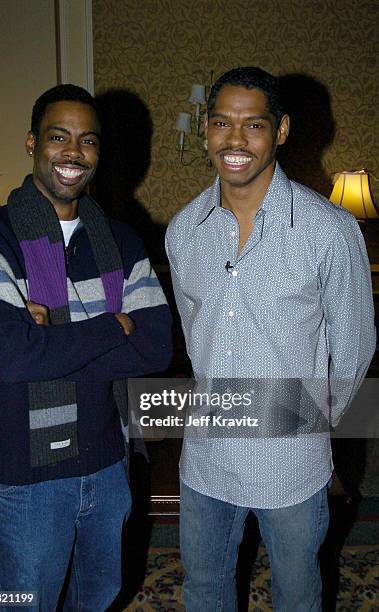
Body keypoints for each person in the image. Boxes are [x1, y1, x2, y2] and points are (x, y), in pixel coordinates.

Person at [165, 67, 375, 611]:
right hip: (207, 458)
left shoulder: (328, 229)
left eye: (252, 124)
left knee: (298, 594)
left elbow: (354, 349)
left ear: (280, 130)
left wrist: (309, 421)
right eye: (221, 124)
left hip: (291, 464)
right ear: (206, 130)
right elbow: (195, 337)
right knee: (203, 589)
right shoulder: (184, 230)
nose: (234, 140)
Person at [0, 84, 172, 611]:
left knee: (99, 597)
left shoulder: (124, 240)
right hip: (25, 478)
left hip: (107, 464)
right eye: (59, 137)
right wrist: (111, 325)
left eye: (88, 141)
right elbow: (13, 358)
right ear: (33, 143)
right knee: (23, 603)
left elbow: (154, 347)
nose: (73, 153)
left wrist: (50, 334)